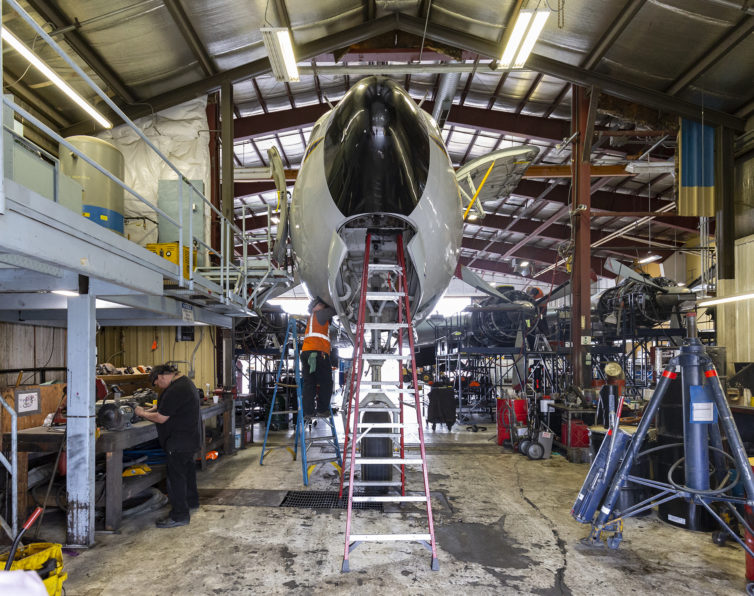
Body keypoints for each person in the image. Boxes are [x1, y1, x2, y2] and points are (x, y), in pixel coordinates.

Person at [134, 364, 200, 528]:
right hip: (189, 440)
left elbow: (162, 418)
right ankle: (191, 503)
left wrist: (142, 413)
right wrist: (154, 408)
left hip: (178, 442)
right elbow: (172, 407)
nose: (157, 386)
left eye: (156, 383)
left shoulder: (175, 390)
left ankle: (179, 516)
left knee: (176, 479)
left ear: (162, 376)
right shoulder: (185, 383)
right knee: (188, 473)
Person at [301, 297, 336, 419]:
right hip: (317, 353)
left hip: (307, 353)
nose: (323, 306)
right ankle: (322, 409)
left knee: (309, 384)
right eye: (321, 304)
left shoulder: (311, 318)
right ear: (315, 307)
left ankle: (308, 412)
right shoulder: (320, 314)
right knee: (326, 382)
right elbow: (335, 309)